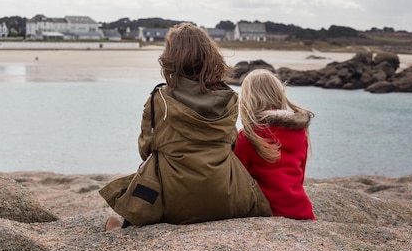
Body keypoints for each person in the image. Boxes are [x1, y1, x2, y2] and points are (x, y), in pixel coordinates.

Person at [102, 23, 271, 230]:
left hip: (175, 204)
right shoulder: (228, 99)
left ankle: (123, 228)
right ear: (210, 56)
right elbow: (232, 143)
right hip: (228, 197)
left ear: (171, 59)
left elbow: (145, 148)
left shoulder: (159, 100)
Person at [233, 69, 315, 220]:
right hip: (302, 210)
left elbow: (238, 182)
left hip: (269, 211)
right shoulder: (299, 131)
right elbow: (300, 176)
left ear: (247, 101)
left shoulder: (247, 137)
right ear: (279, 94)